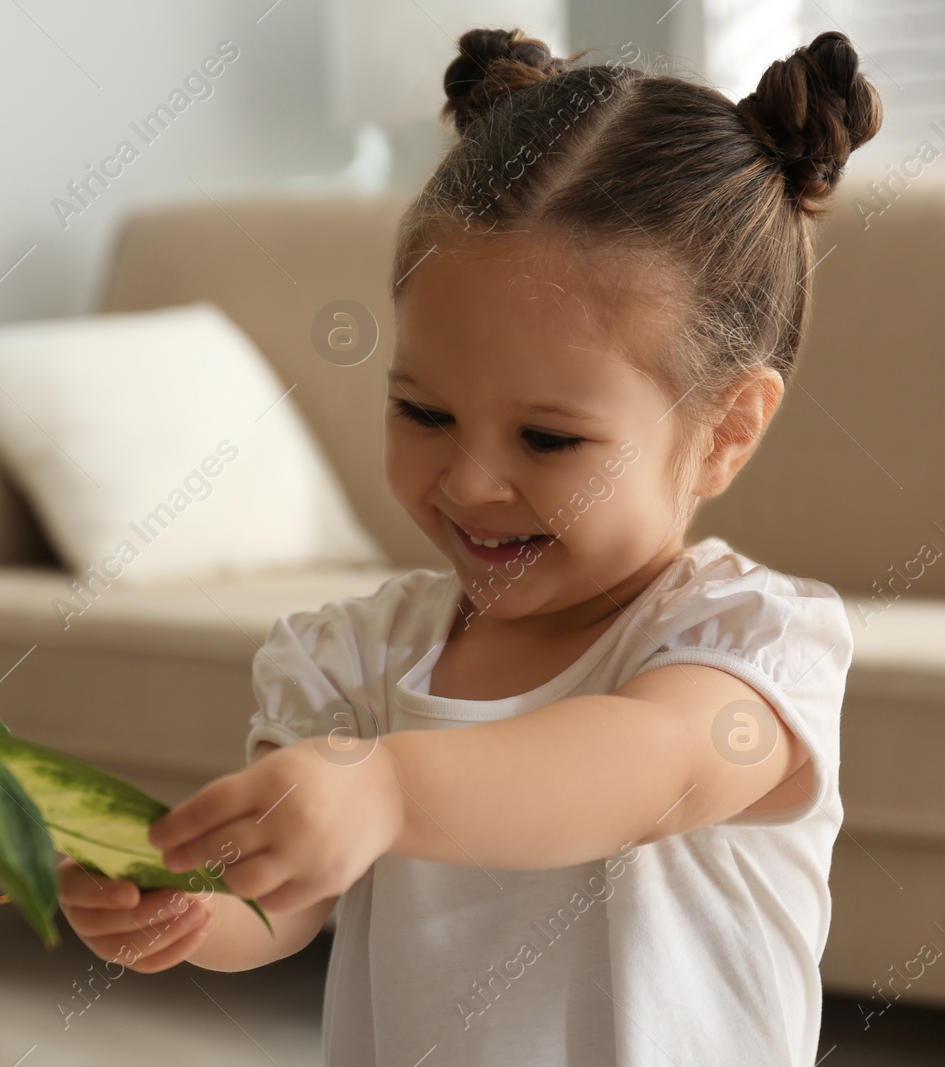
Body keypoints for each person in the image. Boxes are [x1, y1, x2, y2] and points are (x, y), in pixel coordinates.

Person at [55, 26, 881, 1065]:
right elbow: (285, 900)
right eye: (422, 410)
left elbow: (643, 766)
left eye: (546, 437)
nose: (469, 481)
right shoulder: (353, 658)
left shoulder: (748, 648)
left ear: (722, 433)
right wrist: (180, 905)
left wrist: (387, 788)